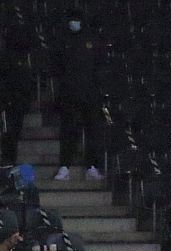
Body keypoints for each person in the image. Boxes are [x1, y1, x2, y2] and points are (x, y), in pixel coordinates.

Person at [50, 9, 104, 181]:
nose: (74, 22)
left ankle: (91, 166)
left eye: (76, 19)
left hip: (90, 94)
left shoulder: (92, 39)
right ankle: (64, 166)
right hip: (69, 94)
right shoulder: (62, 39)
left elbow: (99, 64)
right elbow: (56, 66)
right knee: (68, 131)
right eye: (71, 19)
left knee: (92, 131)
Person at [0, 23, 35, 166]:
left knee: (15, 133)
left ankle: (11, 160)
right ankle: (6, 160)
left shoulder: (24, 57)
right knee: (7, 133)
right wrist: (6, 98)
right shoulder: (3, 56)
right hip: (7, 103)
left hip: (20, 102)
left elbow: (28, 81)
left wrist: (26, 99)